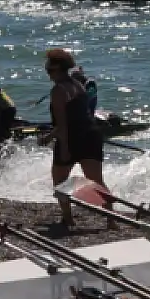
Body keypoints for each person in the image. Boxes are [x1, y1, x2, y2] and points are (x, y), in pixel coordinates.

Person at [45, 48, 104, 228]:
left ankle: (68, 218)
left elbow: (62, 124)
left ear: (59, 69)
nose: (48, 73)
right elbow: (78, 117)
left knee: (59, 181)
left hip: (72, 138)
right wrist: (51, 135)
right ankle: (111, 219)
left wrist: (60, 145)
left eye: (51, 70)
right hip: (91, 135)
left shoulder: (58, 90)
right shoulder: (78, 84)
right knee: (96, 181)